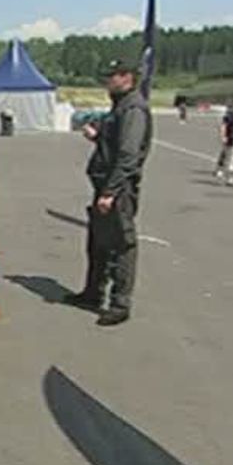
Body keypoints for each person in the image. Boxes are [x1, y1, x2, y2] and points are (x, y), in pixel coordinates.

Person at [65, 59, 153, 327]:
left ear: (126, 78)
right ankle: (93, 293)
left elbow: (128, 155)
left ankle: (120, 303)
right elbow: (114, 143)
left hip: (118, 189)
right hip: (105, 185)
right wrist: (97, 136)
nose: (107, 82)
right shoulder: (121, 106)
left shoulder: (133, 109)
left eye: (111, 77)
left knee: (121, 245)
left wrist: (111, 192)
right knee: (98, 243)